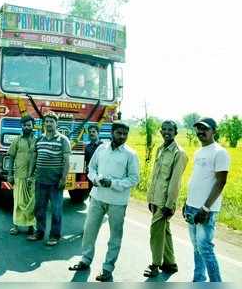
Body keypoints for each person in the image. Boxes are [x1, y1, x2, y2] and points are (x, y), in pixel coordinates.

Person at [68, 121, 139, 282]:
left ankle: (107, 268)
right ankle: (85, 260)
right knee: (89, 231)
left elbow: (134, 179)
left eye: (125, 134)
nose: (122, 136)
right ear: (112, 133)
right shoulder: (101, 149)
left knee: (115, 237)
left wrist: (113, 183)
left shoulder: (130, 154)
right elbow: (91, 169)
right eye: (119, 133)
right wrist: (96, 179)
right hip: (97, 197)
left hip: (117, 202)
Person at [183, 118, 230, 282]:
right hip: (192, 206)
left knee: (205, 248)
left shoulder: (219, 152)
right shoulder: (198, 151)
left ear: (214, 131)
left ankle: (216, 282)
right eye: (198, 129)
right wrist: (186, 202)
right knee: (197, 248)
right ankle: (198, 279)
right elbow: (197, 179)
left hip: (206, 210)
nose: (201, 132)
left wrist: (206, 208)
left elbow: (221, 181)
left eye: (205, 129)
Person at [143, 121, 188, 277]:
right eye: (164, 129)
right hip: (155, 199)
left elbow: (175, 182)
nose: (167, 132)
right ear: (161, 131)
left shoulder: (179, 153)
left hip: (165, 202)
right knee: (164, 231)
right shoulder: (160, 149)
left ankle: (155, 265)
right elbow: (156, 176)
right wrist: (150, 198)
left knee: (155, 233)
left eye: (170, 130)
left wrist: (169, 204)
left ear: (176, 132)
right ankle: (170, 263)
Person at [27, 111, 70, 246]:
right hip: (40, 180)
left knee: (56, 210)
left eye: (51, 121)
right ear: (43, 124)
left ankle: (55, 236)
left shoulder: (63, 140)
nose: (49, 124)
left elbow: (66, 161)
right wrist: (30, 175)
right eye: (46, 121)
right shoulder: (39, 139)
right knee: (39, 209)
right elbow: (34, 158)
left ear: (56, 124)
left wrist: (63, 179)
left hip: (55, 182)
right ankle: (39, 233)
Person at [7, 115, 36, 236]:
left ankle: (31, 226)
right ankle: (16, 225)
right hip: (19, 175)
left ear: (33, 126)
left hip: (33, 177)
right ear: (21, 126)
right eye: (24, 125)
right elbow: (11, 157)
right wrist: (10, 174)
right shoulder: (17, 140)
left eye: (29, 125)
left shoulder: (37, 140)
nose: (27, 127)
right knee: (18, 202)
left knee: (31, 203)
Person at [84, 125, 103, 190]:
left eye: (93, 132)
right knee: (91, 194)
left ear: (98, 133)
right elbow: (86, 161)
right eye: (90, 132)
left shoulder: (103, 146)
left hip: (101, 174)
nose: (91, 133)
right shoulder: (87, 147)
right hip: (91, 175)